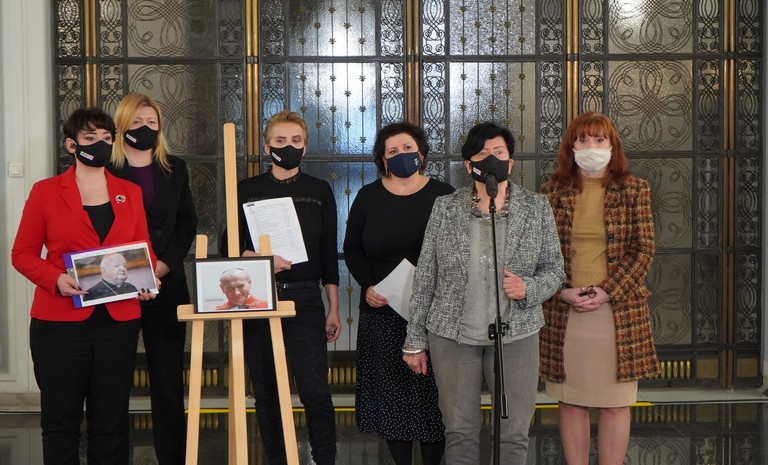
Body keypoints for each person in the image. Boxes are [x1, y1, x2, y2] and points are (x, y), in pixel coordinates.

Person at [402, 121, 565, 464]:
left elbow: (555, 270)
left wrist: (528, 287)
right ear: (468, 165)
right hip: (452, 335)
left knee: (513, 432)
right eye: (482, 153)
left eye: (499, 152)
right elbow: (426, 275)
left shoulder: (537, 207)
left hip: (516, 334)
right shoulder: (445, 208)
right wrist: (414, 339)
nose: (491, 159)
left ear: (511, 162)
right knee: (459, 432)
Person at [11, 107, 157, 465]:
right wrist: (55, 279)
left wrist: (148, 278)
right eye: (91, 138)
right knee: (60, 421)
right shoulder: (45, 192)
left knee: (111, 420)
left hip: (118, 323)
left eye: (107, 138)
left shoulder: (129, 192)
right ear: (71, 144)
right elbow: (22, 254)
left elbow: (144, 250)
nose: (100, 145)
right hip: (59, 324)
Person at [540, 112, 659, 465]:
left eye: (599, 140)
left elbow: (643, 249)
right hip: (566, 310)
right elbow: (540, 253)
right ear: (571, 147)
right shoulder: (551, 192)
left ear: (612, 146)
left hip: (616, 311)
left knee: (615, 403)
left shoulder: (634, 189)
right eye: (582, 140)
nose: (591, 147)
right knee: (570, 401)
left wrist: (607, 291)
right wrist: (562, 290)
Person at [223, 110, 340, 465]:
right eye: (280, 140)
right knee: (266, 390)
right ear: (266, 146)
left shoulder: (319, 190)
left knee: (315, 389)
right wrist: (260, 259)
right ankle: (275, 458)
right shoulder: (247, 189)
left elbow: (328, 253)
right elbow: (229, 244)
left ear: (304, 147)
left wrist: (333, 308)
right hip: (259, 294)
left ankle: (325, 459)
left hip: (306, 296)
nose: (288, 146)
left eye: (295, 140)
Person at [343, 121, 453, 465]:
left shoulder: (444, 195)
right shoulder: (368, 196)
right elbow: (352, 249)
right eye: (393, 151)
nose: (401, 155)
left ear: (422, 154)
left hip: (434, 312)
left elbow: (456, 251)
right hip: (382, 310)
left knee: (433, 394)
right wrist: (367, 285)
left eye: (408, 148)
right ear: (383, 159)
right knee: (391, 395)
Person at [109, 93, 197, 465]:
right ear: (121, 125)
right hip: (116, 287)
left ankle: (172, 458)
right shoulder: (106, 168)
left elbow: (187, 222)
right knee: (112, 381)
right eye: (137, 122)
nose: (145, 128)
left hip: (166, 284)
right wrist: (136, 271)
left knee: (167, 381)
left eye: (151, 122)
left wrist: (163, 264)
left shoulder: (175, 167)